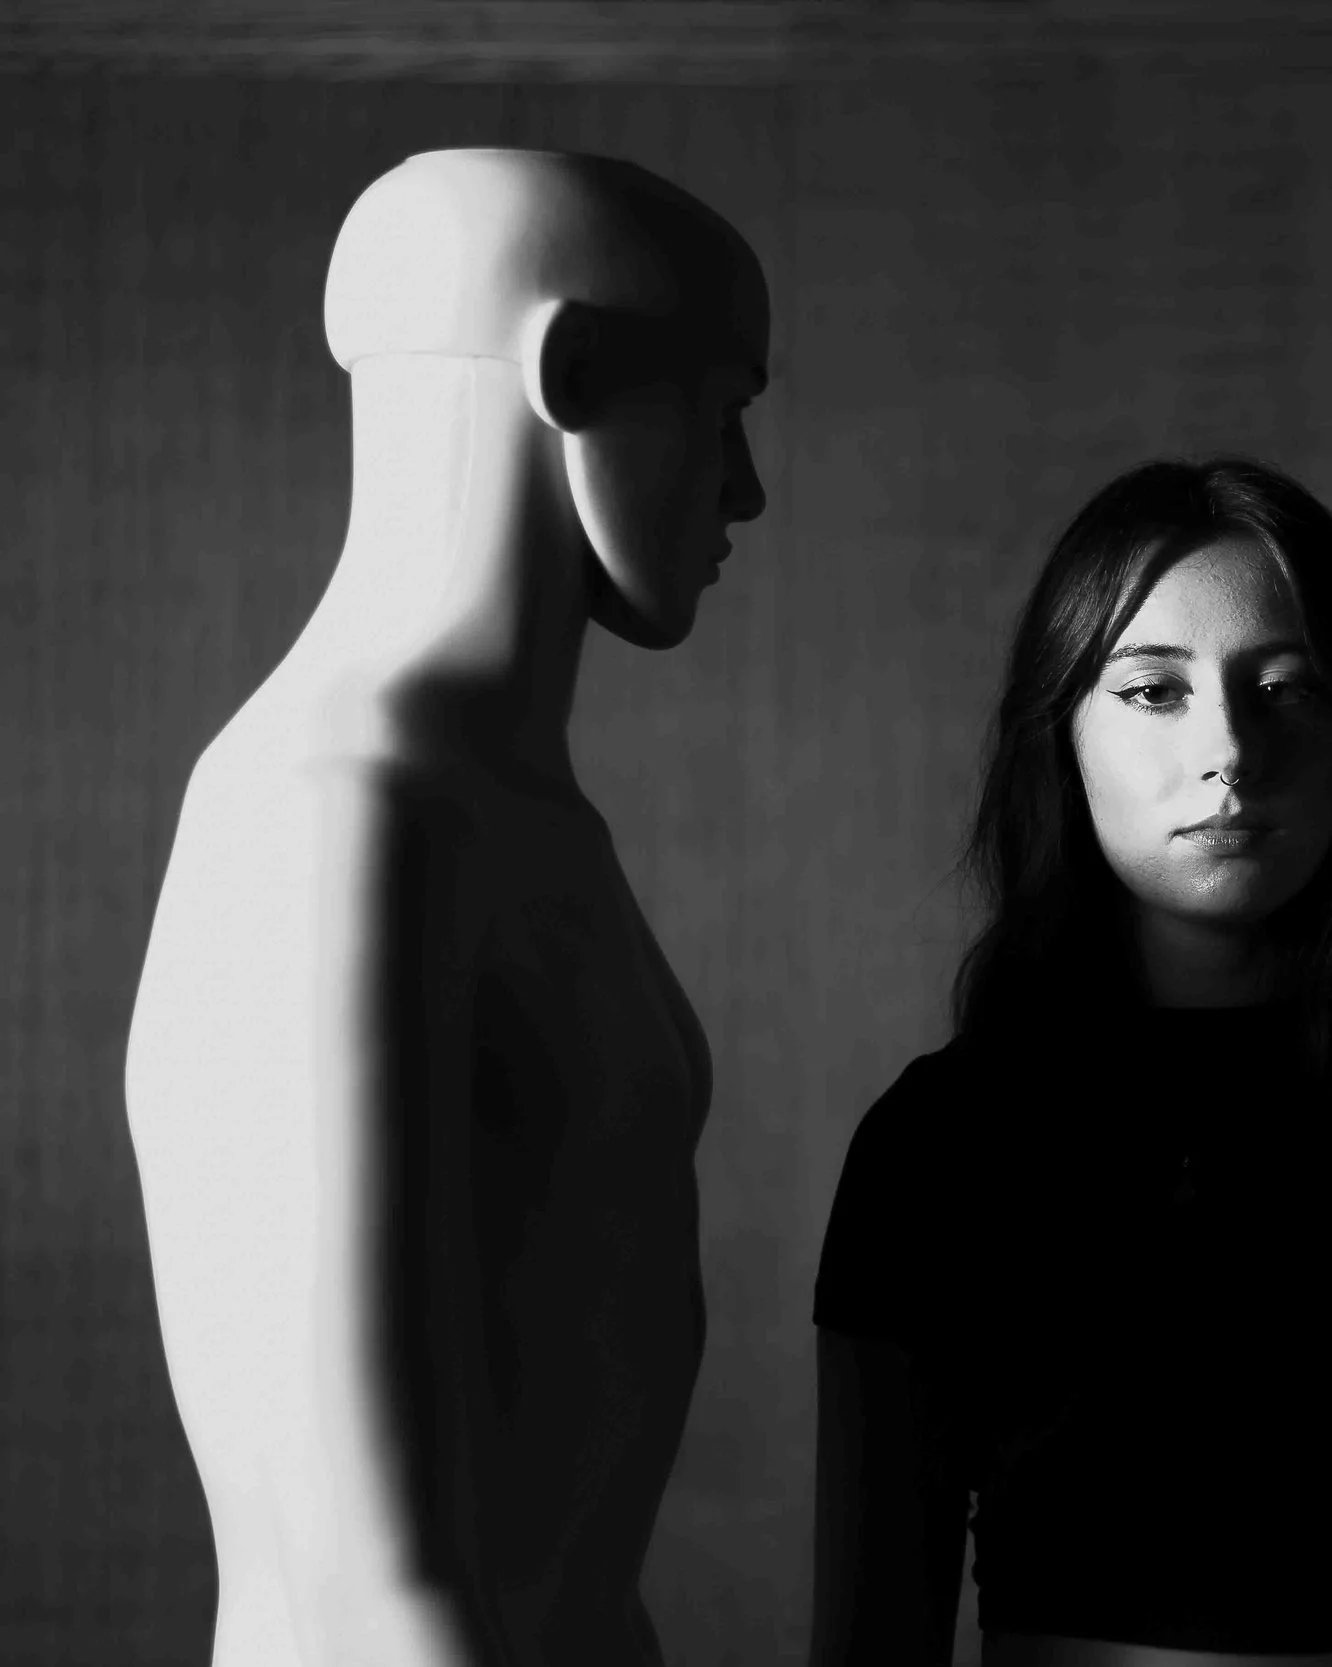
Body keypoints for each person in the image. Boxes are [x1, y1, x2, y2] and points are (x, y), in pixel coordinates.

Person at [808, 459, 1332, 1667]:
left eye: (1286, 687)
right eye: (1153, 691)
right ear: (1059, 733)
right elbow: (864, 1644)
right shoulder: (937, 1145)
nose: (1229, 748)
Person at [122, 148, 769, 1666]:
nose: (745, 488)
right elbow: (365, 1578)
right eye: (724, 410)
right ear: (572, 368)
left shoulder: (508, 815)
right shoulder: (333, 817)